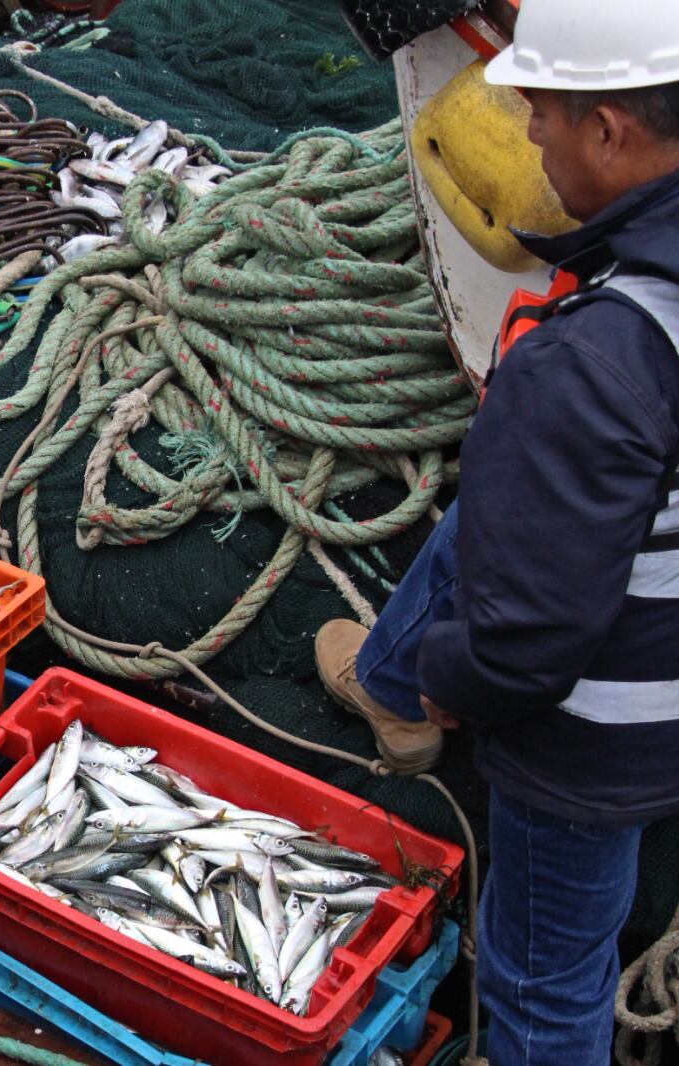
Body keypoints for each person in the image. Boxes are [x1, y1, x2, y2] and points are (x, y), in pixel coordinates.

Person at [313, 1, 679, 1061]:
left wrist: (450, 681)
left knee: (541, 973)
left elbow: (527, 638)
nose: (527, 135)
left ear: (610, 129)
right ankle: (388, 683)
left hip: (600, 740)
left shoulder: (588, 365)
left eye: (545, 114)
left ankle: (401, 692)